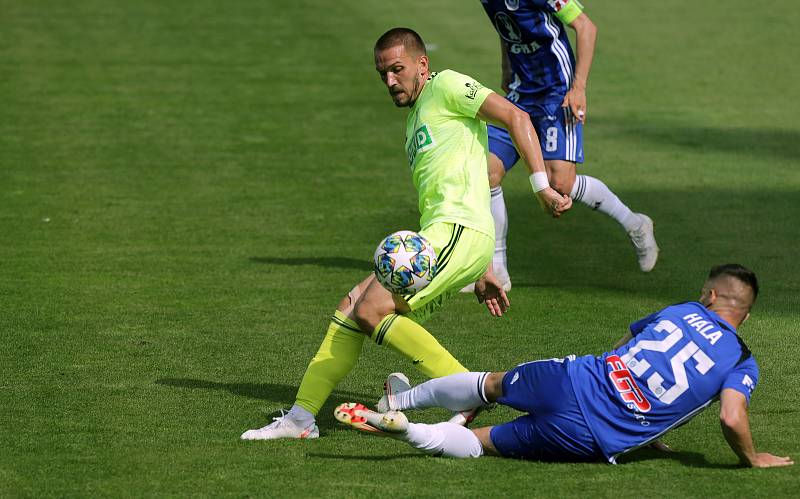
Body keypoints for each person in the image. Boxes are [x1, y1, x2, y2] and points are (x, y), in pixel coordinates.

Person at [241, 27, 572, 440]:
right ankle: (301, 418)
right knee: (351, 307)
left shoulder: (448, 86)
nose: (391, 81)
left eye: (398, 70)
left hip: (456, 231)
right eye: (383, 75)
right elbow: (461, 182)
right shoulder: (416, 119)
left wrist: (540, 184)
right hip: (448, 234)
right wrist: (481, 265)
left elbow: (516, 116)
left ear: (422, 64)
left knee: (371, 310)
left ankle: (465, 390)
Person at [335, 264, 794, 468]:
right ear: (744, 315)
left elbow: (630, 345)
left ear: (710, 297)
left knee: (488, 383)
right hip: (593, 435)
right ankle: (408, 431)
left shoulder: (680, 311)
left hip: (573, 377)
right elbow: (730, 415)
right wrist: (751, 459)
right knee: (479, 443)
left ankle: (402, 398)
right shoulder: (740, 359)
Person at [466, 0, 659, 291]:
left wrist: (578, 87)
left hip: (559, 94)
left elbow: (585, 27)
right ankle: (498, 271)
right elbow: (506, 29)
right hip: (521, 96)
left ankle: (635, 224)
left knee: (560, 186)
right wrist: (506, 69)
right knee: (486, 173)